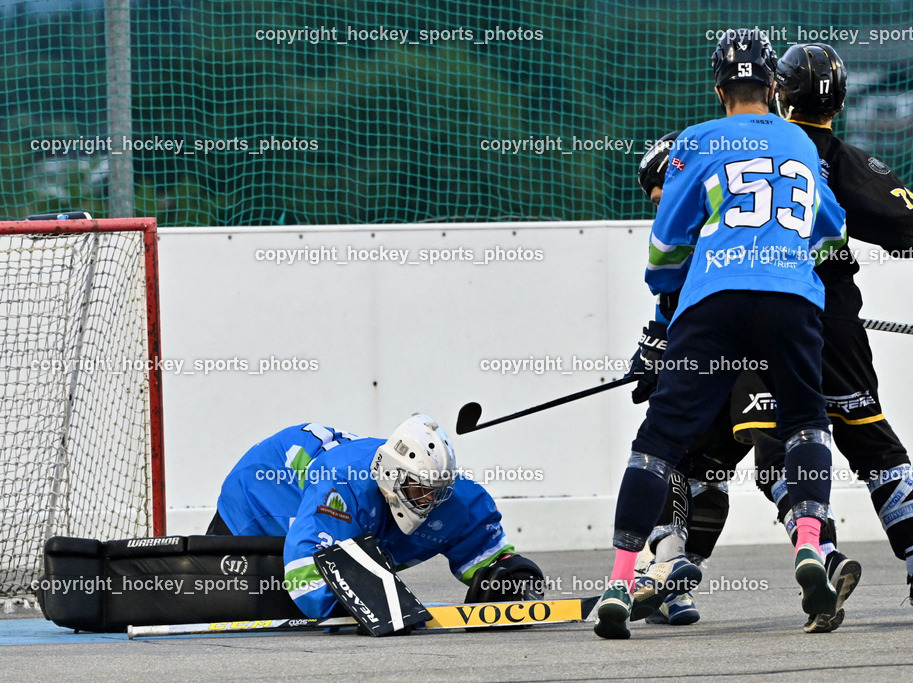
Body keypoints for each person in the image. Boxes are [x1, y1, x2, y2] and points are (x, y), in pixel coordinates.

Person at [594, 27, 848, 640]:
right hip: (791, 301)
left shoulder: (697, 140)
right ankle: (810, 548)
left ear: (719, 89)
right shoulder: (801, 143)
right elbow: (832, 231)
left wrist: (668, 297)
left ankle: (622, 581)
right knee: (805, 423)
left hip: (713, 301)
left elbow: (665, 245)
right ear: (772, 87)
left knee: (660, 439)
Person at [770, 41, 913, 606]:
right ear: (841, 102)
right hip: (832, 315)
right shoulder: (841, 157)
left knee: (774, 445)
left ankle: (819, 554)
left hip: (761, 316)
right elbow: (902, 214)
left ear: (780, 93)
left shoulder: (751, 151)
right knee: (867, 434)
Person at [634, 132, 860, 634]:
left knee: (673, 454)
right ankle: (818, 554)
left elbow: (673, 295)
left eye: (660, 198)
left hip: (725, 366)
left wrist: (653, 351)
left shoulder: (695, 220)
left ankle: (668, 568)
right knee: (746, 467)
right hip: (772, 345)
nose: (659, 208)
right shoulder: (741, 195)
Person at [209, 414, 543, 618]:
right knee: (228, 593)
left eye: (436, 492)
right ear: (392, 476)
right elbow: (306, 580)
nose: (429, 502)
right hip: (262, 490)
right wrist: (362, 603)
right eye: (418, 490)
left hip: (334, 485)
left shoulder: (453, 495)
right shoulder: (341, 488)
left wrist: (503, 572)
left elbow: (486, 550)